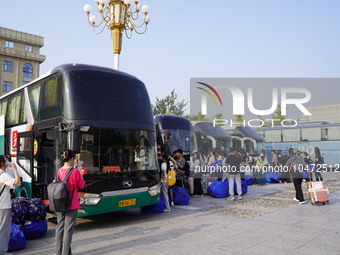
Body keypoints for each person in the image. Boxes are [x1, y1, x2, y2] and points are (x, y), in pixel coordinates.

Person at [56, 150, 85, 255]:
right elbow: (81, 185)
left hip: (60, 203)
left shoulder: (59, 171)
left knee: (60, 229)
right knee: (68, 231)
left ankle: (58, 252)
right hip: (72, 204)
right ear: (72, 159)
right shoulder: (75, 171)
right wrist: (80, 172)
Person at [0, 155, 21, 255]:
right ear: (2, 164)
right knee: (3, 230)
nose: (7, 162)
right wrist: (15, 169)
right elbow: (18, 182)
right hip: (3, 206)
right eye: (6, 161)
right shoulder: (3, 175)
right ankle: (2, 252)